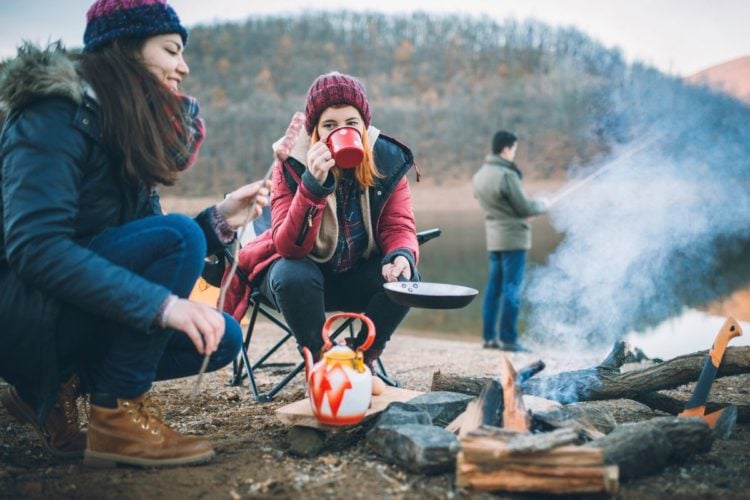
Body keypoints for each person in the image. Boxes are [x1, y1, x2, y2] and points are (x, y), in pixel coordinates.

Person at [0, 0, 270, 468]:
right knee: (179, 238)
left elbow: (146, 246)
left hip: (70, 308)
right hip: (23, 314)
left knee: (221, 337)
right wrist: (161, 307)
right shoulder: (53, 116)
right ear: (125, 49)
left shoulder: (122, 126)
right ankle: (117, 416)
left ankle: (56, 385)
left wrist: (223, 218)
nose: (183, 67)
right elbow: (35, 249)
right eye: (171, 50)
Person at [223, 72, 420, 394]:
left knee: (407, 279)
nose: (342, 131)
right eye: (329, 125)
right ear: (315, 130)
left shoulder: (387, 159)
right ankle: (321, 360)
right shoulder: (291, 163)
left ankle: (361, 359)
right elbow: (289, 247)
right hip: (300, 281)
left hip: (354, 274)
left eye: (351, 122)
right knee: (291, 272)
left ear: (365, 126)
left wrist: (401, 256)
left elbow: (399, 226)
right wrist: (312, 186)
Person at [472, 130, 547, 352]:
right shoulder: (507, 175)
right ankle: (509, 339)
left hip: (494, 240)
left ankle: (488, 338)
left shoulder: (480, 176)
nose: (514, 153)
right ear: (506, 149)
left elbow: (499, 206)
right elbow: (523, 206)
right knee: (512, 289)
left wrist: (519, 213)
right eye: (514, 149)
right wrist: (541, 205)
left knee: (494, 290)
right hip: (513, 240)